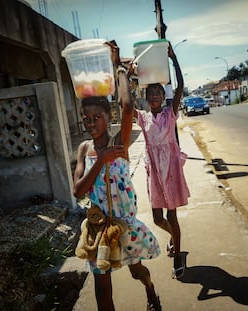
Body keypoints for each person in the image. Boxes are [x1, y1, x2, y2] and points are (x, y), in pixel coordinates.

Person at [73, 40, 161, 311]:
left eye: (96, 118)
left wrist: (118, 67)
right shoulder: (85, 149)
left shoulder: (120, 144)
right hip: (99, 228)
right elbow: (78, 191)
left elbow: (126, 106)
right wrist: (100, 160)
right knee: (102, 288)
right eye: (86, 119)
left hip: (125, 225)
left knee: (137, 272)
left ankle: (151, 291)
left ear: (106, 116)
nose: (91, 124)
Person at [133, 42, 190, 279]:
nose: (155, 95)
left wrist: (174, 58)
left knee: (171, 216)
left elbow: (180, 86)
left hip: (172, 170)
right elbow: (122, 104)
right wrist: (127, 74)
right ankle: (173, 238)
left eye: (158, 92)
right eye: (151, 93)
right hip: (154, 172)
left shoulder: (170, 113)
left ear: (162, 96)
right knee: (158, 218)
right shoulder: (143, 117)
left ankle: (177, 255)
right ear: (145, 97)